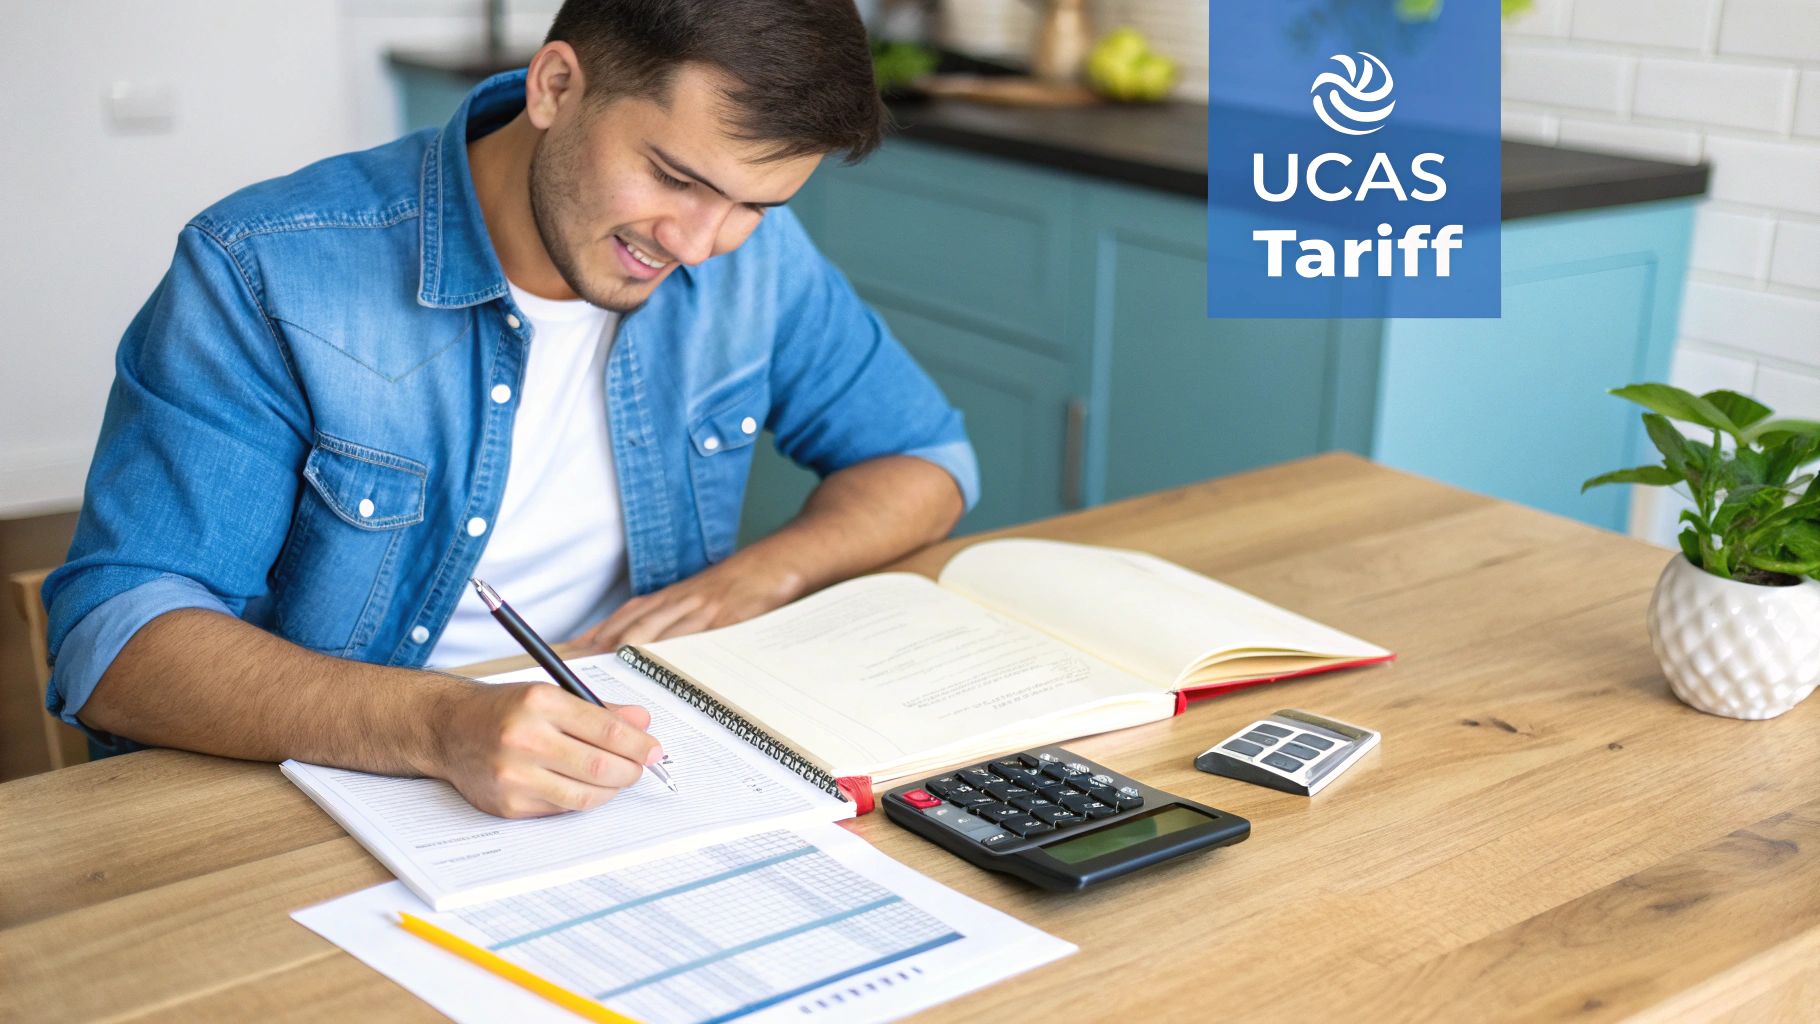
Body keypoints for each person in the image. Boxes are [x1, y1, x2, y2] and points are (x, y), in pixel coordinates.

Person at [42, 0, 977, 819]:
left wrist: (757, 578)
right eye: (675, 178)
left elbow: (926, 460)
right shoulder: (268, 268)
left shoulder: (753, 261)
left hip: (632, 779)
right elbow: (115, 642)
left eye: (753, 205)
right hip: (330, 787)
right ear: (556, 87)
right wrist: (439, 724)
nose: (699, 246)